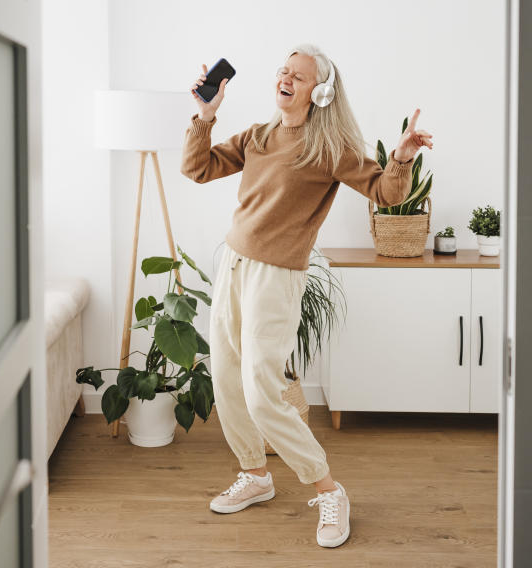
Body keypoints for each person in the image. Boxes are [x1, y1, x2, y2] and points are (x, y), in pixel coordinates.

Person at [181, 43, 434, 548]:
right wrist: (205, 117)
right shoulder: (256, 136)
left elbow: (388, 194)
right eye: (284, 70)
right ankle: (255, 474)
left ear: (319, 92)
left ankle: (329, 488)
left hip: (276, 277)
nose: (286, 78)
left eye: (298, 75)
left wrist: (401, 158)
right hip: (232, 264)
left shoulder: (329, 149)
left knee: (260, 388)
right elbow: (198, 168)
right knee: (227, 380)